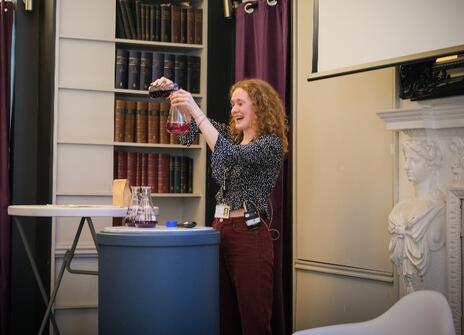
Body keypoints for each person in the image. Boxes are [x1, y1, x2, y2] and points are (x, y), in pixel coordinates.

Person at [150, 77, 288, 335]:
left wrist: (196, 109)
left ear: (259, 106)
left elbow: (227, 153)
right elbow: (189, 133)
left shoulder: (270, 145)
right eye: (232, 103)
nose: (234, 109)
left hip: (249, 236)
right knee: (225, 320)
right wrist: (176, 94)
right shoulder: (231, 138)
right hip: (220, 231)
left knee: (254, 321)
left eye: (240, 103)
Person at [388, 139, 445, 294]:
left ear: (431, 164)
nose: (406, 166)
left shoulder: (437, 209)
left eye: (414, 160)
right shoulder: (400, 209)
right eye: (406, 159)